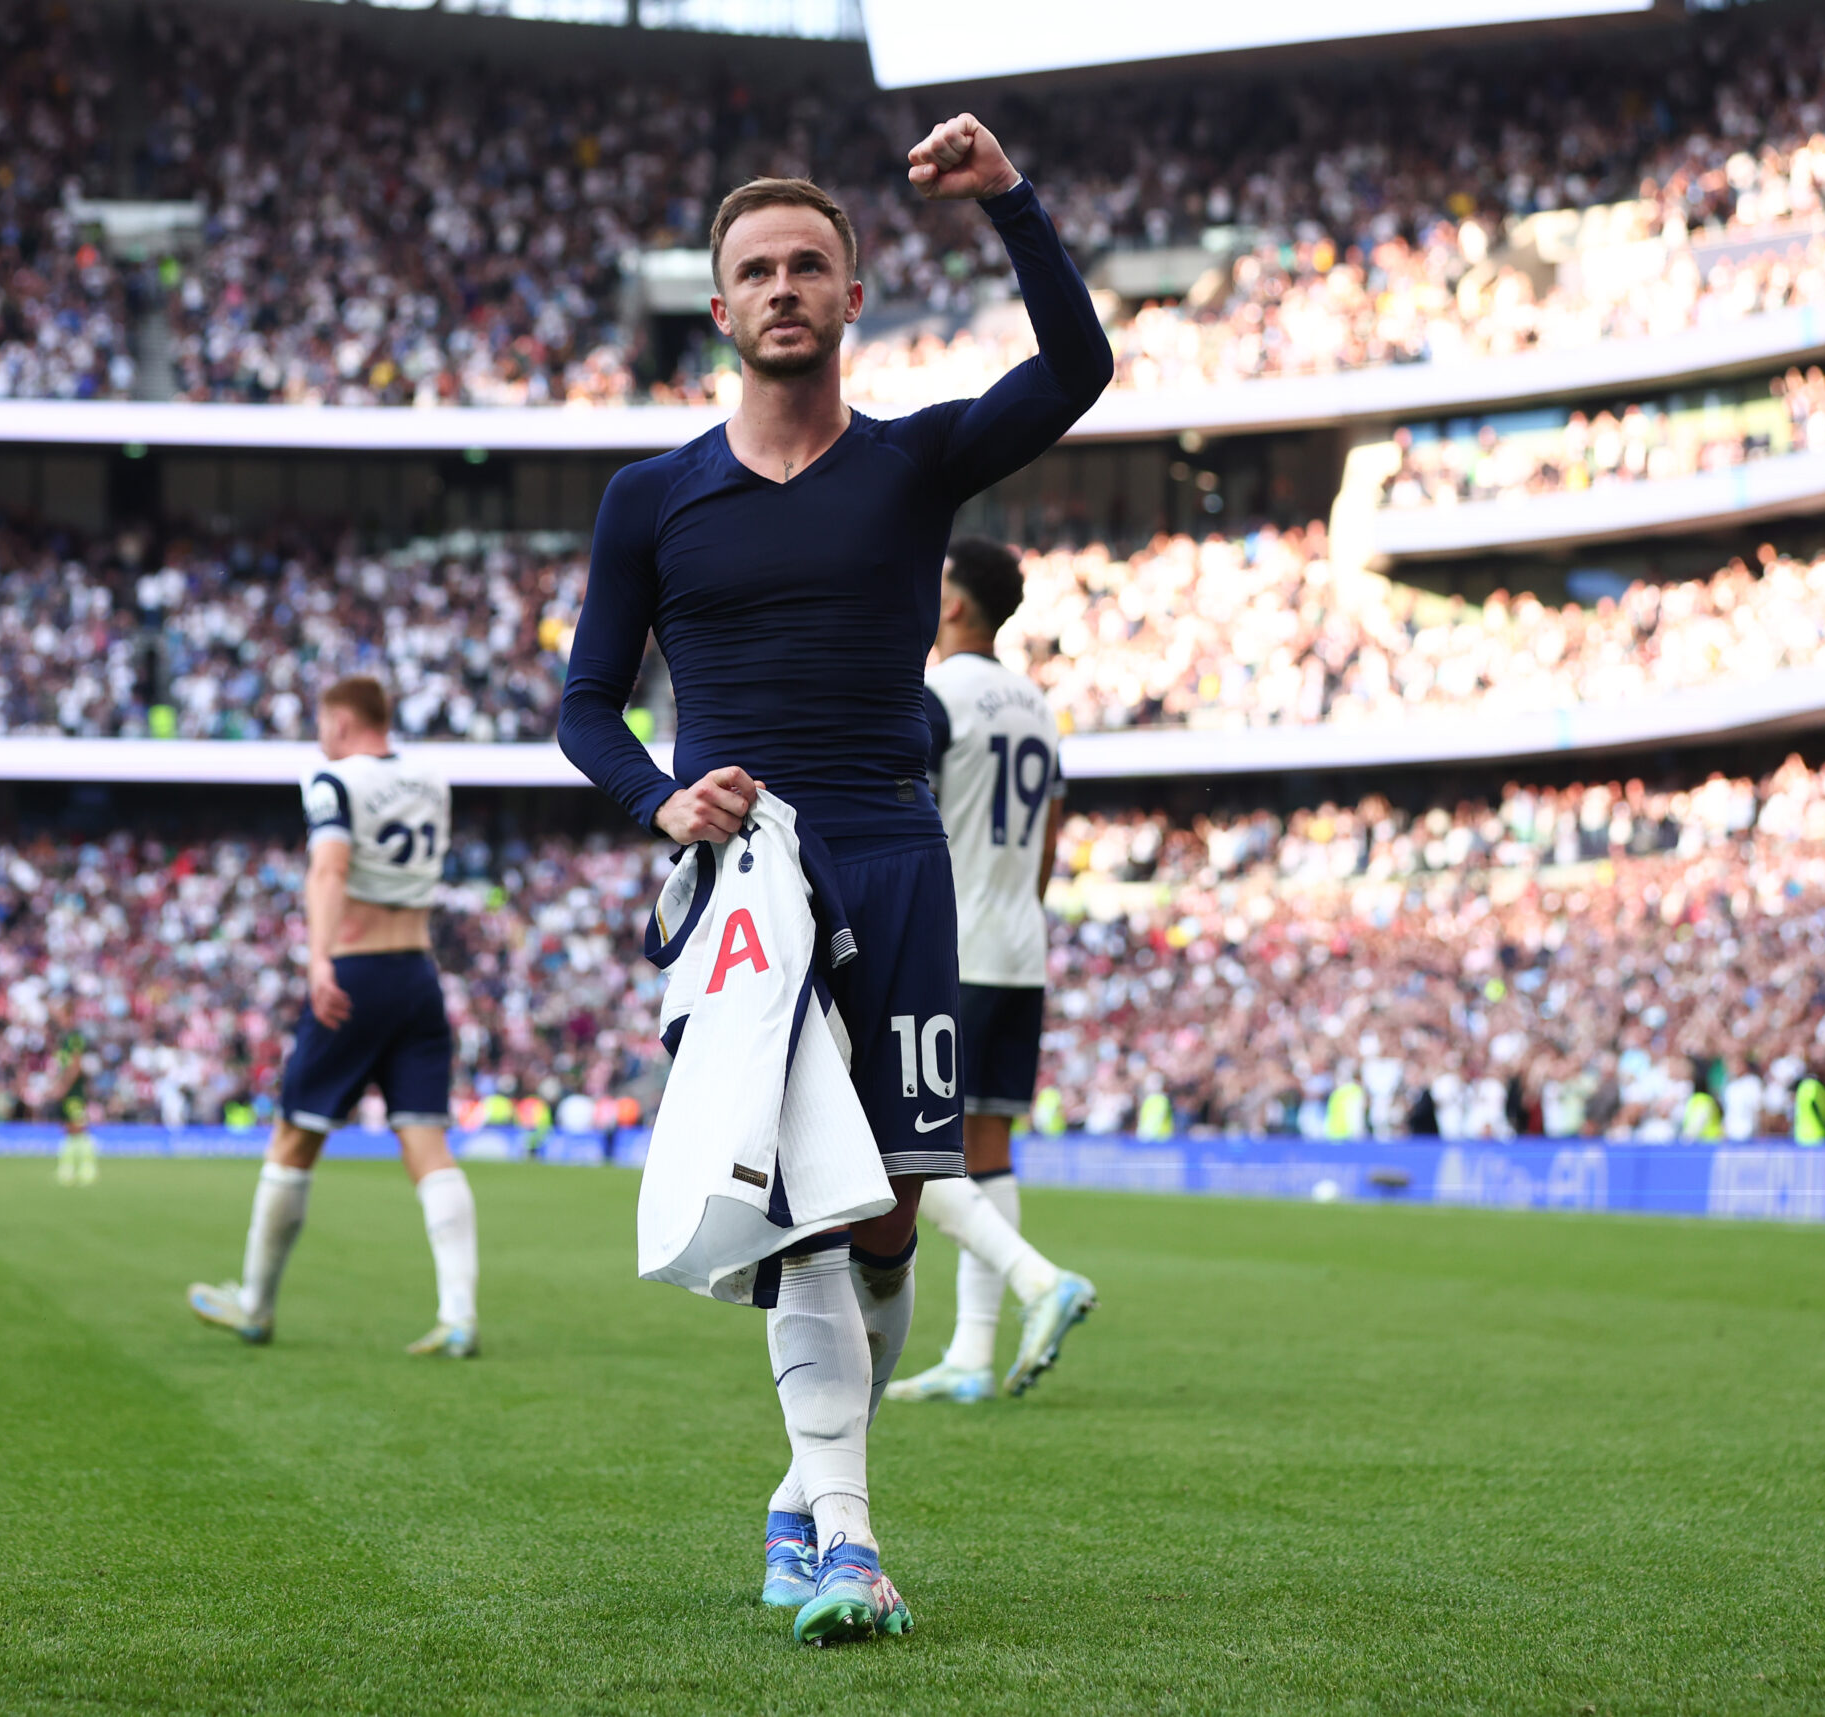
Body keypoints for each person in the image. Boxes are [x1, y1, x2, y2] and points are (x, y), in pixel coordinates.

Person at [557, 113, 1109, 1647]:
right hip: (746, 884)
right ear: (720, 310)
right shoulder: (649, 501)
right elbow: (584, 707)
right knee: (801, 1202)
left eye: (811, 263)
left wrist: (1012, 205)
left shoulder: (918, 462)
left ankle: (811, 1496)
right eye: (756, 270)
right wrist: (662, 798)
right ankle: (853, 1539)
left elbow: (1075, 373)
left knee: (888, 1214)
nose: (785, 286)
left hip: (894, 855)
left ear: (851, 297)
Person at [189, 675, 481, 1357]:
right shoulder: (432, 778)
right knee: (429, 1147)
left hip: (354, 973)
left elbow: (328, 870)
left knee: (294, 1138)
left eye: (323, 722)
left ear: (342, 722)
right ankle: (459, 1313)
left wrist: (319, 960)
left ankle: (256, 1305)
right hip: (418, 971)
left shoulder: (332, 779)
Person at [888, 536, 1098, 1408]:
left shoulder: (937, 697)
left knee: (907, 1149)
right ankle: (973, 1353)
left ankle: (1037, 1279)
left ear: (955, 605)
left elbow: (905, 821)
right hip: (1019, 945)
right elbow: (1051, 839)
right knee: (987, 1148)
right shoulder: (1038, 707)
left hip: (955, 947)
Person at [52, 1012, 99, 1186]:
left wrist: (63, 1086)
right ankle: (69, 1168)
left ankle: (86, 1168)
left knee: (78, 1128)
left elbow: (76, 1066)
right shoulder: (63, 1039)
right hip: (69, 1090)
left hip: (74, 1091)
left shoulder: (74, 1038)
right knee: (69, 1129)